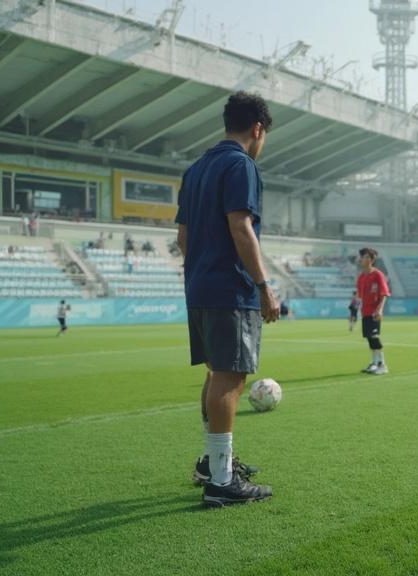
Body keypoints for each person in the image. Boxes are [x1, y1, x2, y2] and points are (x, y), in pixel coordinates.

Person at [176, 91, 279, 507]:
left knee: (215, 372)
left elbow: (182, 237)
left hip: (200, 286)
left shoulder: (196, 168)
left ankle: (212, 462)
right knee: (232, 376)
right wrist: (263, 284)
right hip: (229, 288)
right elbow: (241, 227)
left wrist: (203, 270)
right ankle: (221, 481)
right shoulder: (242, 165)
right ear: (258, 129)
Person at [356, 247, 390, 375]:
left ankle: (383, 364)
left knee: (374, 337)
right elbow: (359, 295)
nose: (364, 259)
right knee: (369, 338)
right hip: (365, 311)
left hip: (374, 311)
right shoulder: (361, 277)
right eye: (363, 257)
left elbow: (384, 293)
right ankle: (374, 363)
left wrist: (380, 309)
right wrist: (354, 309)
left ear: (372, 260)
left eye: (367, 257)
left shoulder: (378, 275)